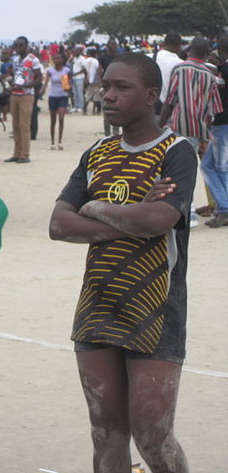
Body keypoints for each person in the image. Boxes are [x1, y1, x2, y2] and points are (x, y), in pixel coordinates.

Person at [49, 53, 196, 473]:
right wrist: (124, 216)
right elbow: (59, 224)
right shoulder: (97, 152)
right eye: (105, 86)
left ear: (151, 96)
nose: (107, 95)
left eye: (121, 88)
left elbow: (159, 219)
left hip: (155, 310)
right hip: (96, 306)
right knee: (106, 434)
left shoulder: (176, 151)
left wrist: (92, 208)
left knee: (153, 436)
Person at [159, 37, 222, 226]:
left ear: (189, 50)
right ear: (206, 53)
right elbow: (213, 110)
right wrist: (206, 135)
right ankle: (191, 212)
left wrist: (159, 126)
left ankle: (186, 211)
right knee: (191, 168)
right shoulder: (211, 76)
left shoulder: (180, 69)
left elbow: (170, 101)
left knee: (175, 170)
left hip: (178, 126)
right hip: (198, 129)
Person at [201, 33, 228, 227]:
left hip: (222, 122)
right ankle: (222, 207)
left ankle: (225, 209)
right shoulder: (223, 67)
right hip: (221, 123)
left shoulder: (225, 68)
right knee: (210, 166)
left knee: (218, 167)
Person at [6, 36, 42, 163]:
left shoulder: (33, 60)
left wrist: (25, 85)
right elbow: (15, 74)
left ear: (26, 46)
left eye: (21, 45)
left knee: (24, 125)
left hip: (27, 95)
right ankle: (17, 153)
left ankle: (25, 154)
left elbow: (39, 78)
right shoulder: (15, 60)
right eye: (16, 45)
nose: (18, 47)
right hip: (15, 94)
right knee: (15, 125)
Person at [40, 53, 70, 150]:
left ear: (62, 60)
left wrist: (69, 88)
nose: (57, 60)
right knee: (53, 120)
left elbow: (69, 82)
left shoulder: (66, 70)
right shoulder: (50, 71)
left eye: (59, 58)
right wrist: (42, 90)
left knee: (61, 118)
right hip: (53, 96)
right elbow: (46, 83)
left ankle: (60, 141)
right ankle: (52, 141)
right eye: (55, 58)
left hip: (63, 96)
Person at [155, 33, 183, 116]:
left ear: (163, 44)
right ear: (179, 46)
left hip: (152, 111)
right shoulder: (182, 64)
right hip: (172, 114)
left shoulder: (150, 58)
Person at [98, 38, 120, 136]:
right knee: (107, 111)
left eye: (115, 44)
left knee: (117, 110)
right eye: (111, 44)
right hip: (106, 88)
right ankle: (107, 134)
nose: (114, 46)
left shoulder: (120, 57)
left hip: (118, 88)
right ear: (107, 46)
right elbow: (99, 72)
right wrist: (100, 84)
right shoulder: (103, 58)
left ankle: (116, 133)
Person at [83, 48, 101, 114]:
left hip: (88, 80)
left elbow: (84, 69)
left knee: (88, 95)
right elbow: (99, 70)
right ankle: (93, 111)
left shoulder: (85, 60)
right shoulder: (96, 61)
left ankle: (85, 109)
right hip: (95, 80)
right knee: (96, 96)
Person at [70, 45, 87, 113]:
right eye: (74, 51)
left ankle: (81, 106)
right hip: (74, 77)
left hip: (80, 77)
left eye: (76, 51)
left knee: (80, 92)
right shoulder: (75, 58)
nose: (75, 52)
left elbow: (84, 69)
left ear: (79, 52)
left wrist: (76, 73)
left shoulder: (82, 59)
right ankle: (76, 106)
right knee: (74, 92)